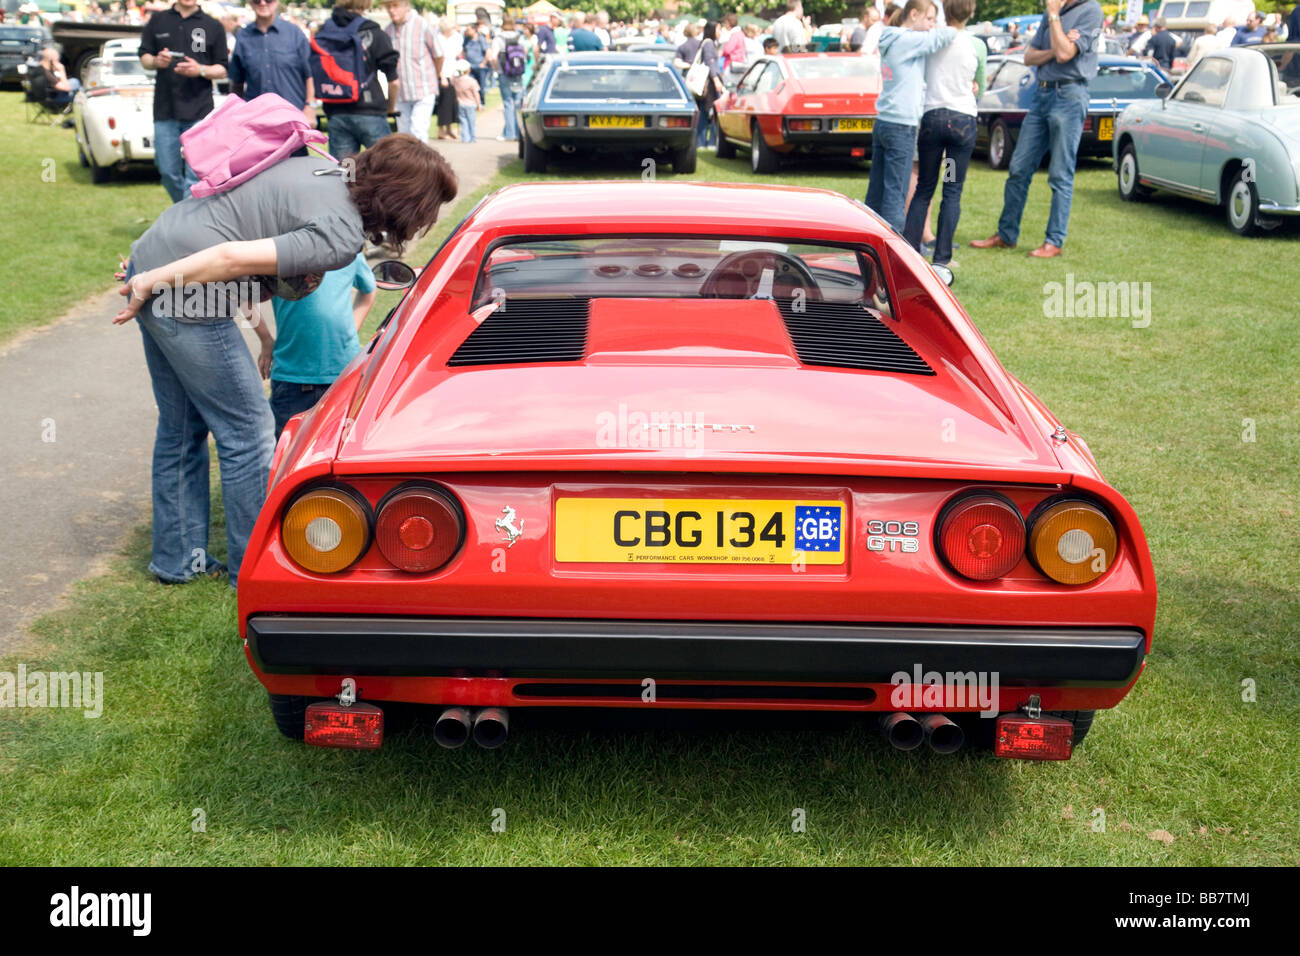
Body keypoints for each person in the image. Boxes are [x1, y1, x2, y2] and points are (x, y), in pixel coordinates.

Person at [113, 134, 457, 588]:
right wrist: (151, 281)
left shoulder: (324, 168)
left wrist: (149, 270)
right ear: (407, 202)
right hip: (179, 287)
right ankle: (253, 570)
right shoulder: (340, 232)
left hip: (159, 254)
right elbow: (230, 256)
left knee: (181, 429)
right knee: (250, 433)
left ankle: (178, 559)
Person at [970, 0, 1103, 258]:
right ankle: (1006, 235)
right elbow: (1030, 56)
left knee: (1060, 173)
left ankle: (1054, 241)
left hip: (1070, 94)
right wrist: (1059, 42)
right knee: (1018, 168)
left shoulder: (1089, 10)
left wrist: (1054, 18)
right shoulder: (1053, 12)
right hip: (1042, 95)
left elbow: (1066, 55)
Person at [256, 252, 376, 439]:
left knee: (340, 449)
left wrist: (352, 329)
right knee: (288, 456)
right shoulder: (280, 252)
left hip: (342, 376)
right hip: (292, 381)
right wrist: (265, 340)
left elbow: (369, 290)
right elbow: (244, 298)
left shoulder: (347, 250)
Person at [903, 0, 983, 266]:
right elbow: (979, 85)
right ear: (970, 12)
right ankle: (943, 258)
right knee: (952, 189)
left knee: (925, 187)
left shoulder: (932, 40)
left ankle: (911, 252)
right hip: (960, 124)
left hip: (933, 119)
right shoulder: (976, 45)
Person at [865, 0, 955, 235]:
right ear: (913, 14)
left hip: (884, 120)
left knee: (876, 193)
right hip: (901, 125)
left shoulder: (891, 37)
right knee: (896, 193)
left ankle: (868, 243)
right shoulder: (907, 40)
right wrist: (958, 26)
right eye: (929, 19)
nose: (931, 25)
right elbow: (940, 38)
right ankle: (893, 254)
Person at [138, 0, 228, 203]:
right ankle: (184, 213)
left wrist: (201, 70)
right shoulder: (158, 20)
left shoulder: (212, 25)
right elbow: (144, 56)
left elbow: (222, 68)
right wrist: (155, 61)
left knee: (195, 175)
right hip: (165, 109)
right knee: (167, 171)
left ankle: (185, 222)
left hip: (200, 111)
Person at [320, 0, 399, 159]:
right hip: (370, 109)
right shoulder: (373, 31)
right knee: (386, 169)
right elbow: (393, 82)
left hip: (336, 110)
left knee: (345, 173)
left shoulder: (325, 31)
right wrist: (390, 108)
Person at [227, 0, 314, 120]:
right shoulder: (243, 36)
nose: (263, 3)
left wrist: (310, 106)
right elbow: (237, 81)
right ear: (250, 3)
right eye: (257, 0)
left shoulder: (295, 34)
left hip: (292, 115)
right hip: (257, 119)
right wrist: (234, 111)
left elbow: (309, 74)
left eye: (268, 0)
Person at [384, 0, 443, 145]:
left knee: (418, 132)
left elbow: (439, 55)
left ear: (406, 6)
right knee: (403, 135)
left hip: (423, 88)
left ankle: (421, 167)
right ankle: (408, 167)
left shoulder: (421, 25)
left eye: (395, 6)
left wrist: (434, 76)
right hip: (401, 91)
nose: (391, 10)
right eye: (388, 7)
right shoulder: (388, 31)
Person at [490, 16, 526, 141]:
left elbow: (493, 57)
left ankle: (510, 133)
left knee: (507, 103)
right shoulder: (519, 37)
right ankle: (518, 132)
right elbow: (524, 53)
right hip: (518, 73)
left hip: (504, 72)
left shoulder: (498, 38)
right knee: (517, 103)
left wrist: (495, 69)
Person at [436, 15, 461, 141]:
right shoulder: (438, 40)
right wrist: (442, 76)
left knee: (452, 104)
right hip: (443, 75)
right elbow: (438, 60)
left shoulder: (453, 38)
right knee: (444, 104)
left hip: (452, 74)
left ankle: (449, 129)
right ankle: (441, 130)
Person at [453, 59, 481, 142]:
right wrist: (479, 104)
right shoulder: (472, 81)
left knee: (463, 122)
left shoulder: (455, 80)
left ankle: (465, 138)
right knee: (471, 122)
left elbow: (452, 77)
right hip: (471, 104)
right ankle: (472, 138)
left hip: (461, 103)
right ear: (468, 70)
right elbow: (476, 94)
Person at [463, 22, 489, 105]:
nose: (467, 31)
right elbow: (464, 51)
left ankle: (481, 103)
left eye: (468, 29)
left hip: (480, 67)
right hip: (470, 67)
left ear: (474, 30)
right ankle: (473, 102)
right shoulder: (466, 39)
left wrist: (483, 63)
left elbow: (487, 52)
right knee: (469, 86)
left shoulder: (481, 39)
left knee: (481, 86)